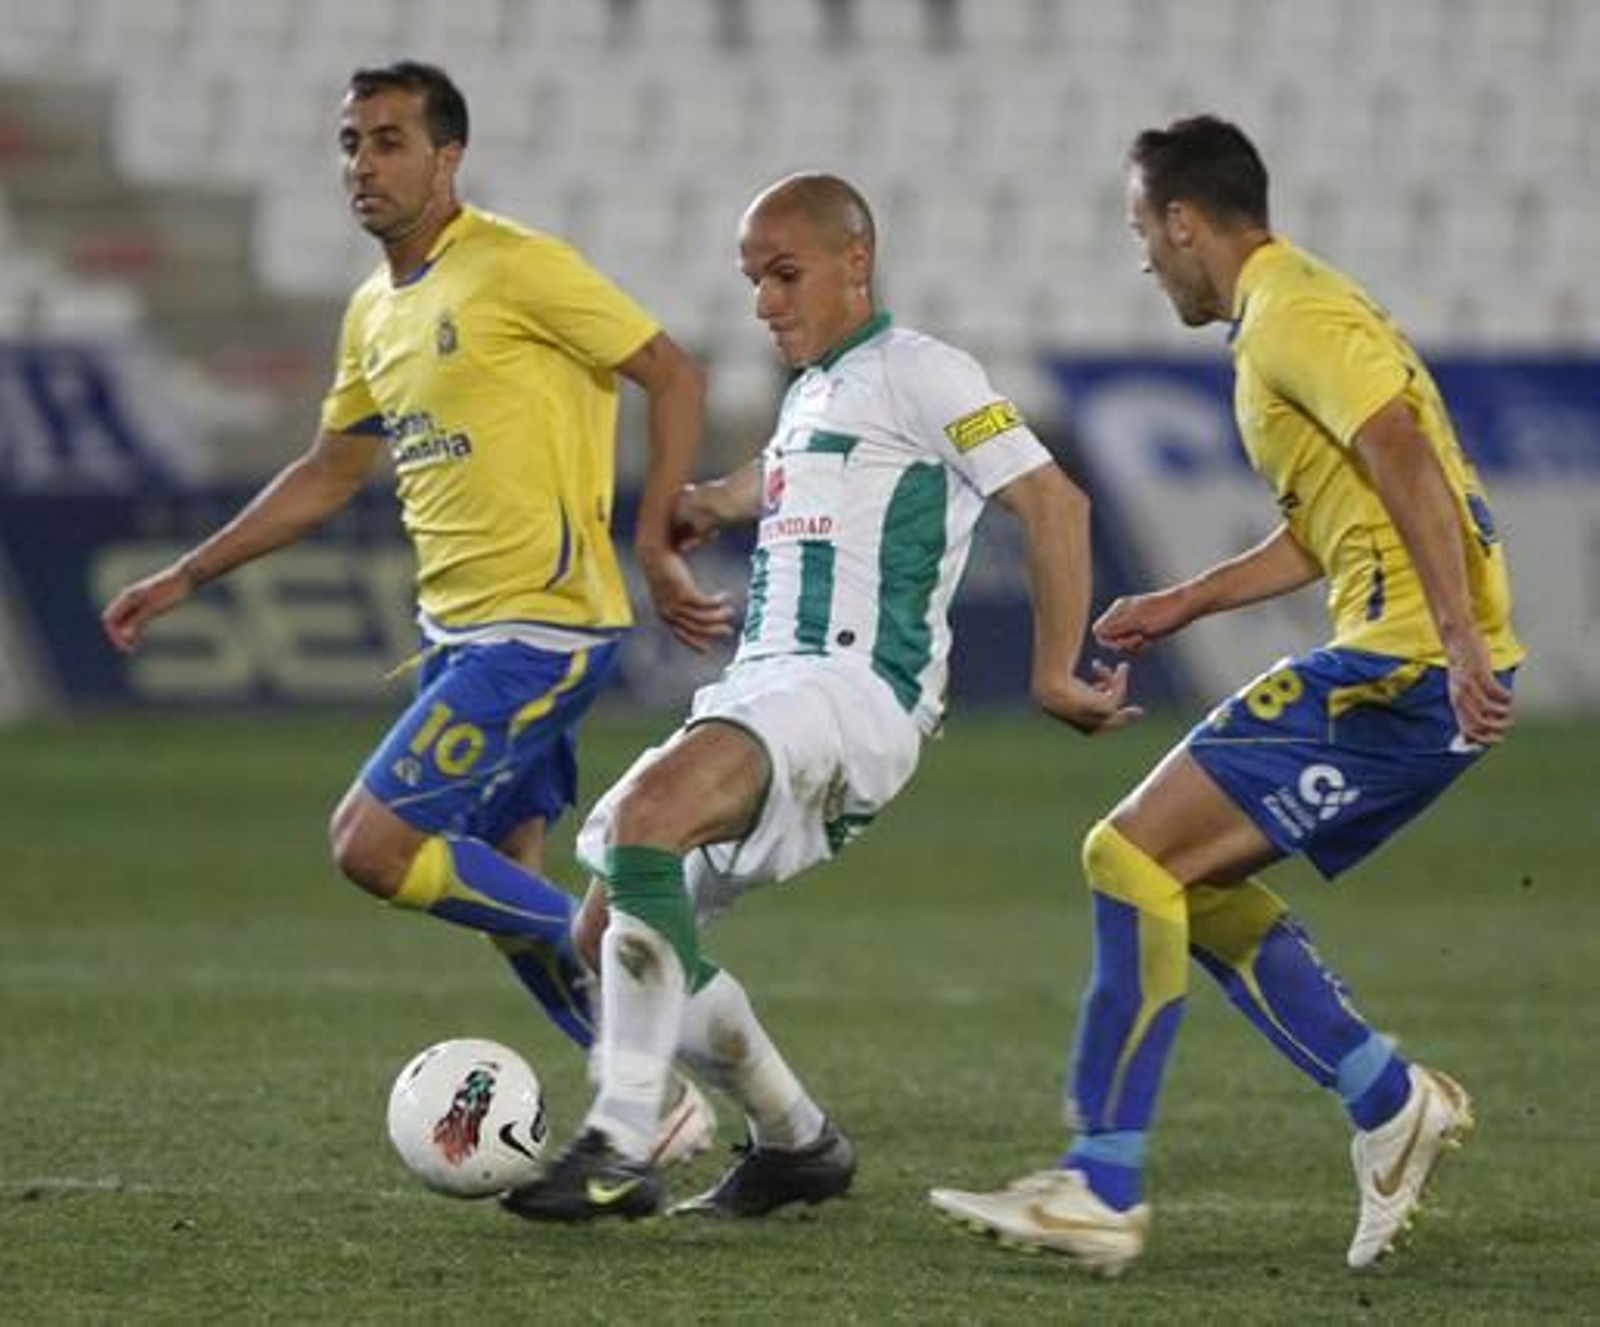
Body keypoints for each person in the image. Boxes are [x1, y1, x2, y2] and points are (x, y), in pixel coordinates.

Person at [100, 60, 733, 1164]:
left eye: (389, 140)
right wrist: (189, 575)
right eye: (350, 141)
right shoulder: (373, 312)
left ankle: (633, 968)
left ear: (448, 157)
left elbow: (673, 373)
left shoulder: (518, 266)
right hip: (456, 641)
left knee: (374, 845)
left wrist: (651, 535)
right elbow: (327, 470)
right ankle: (655, 1097)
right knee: (503, 883)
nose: (363, 163)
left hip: (542, 628)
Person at [929, 115, 1523, 1275]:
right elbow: (1328, 522)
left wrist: (1454, 636)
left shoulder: (1293, 315)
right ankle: (1386, 1096)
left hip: (1402, 667)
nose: (1141, 256)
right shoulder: (1294, 313)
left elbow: (1402, 454)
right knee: (1180, 885)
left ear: (1183, 222)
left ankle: (1100, 1183)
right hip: (1406, 655)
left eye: (1140, 230)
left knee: (1127, 857)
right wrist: (1182, 603)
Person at [500, 170, 1139, 1224]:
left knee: (650, 823)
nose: (765, 301)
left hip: (852, 689)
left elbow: (1054, 503)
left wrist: (1052, 668)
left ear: (856, 261)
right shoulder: (811, 396)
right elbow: (783, 476)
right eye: (753, 280)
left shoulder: (924, 373)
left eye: (784, 273)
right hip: (768, 686)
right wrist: (710, 501)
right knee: (601, 924)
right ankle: (798, 1142)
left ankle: (619, 1143)